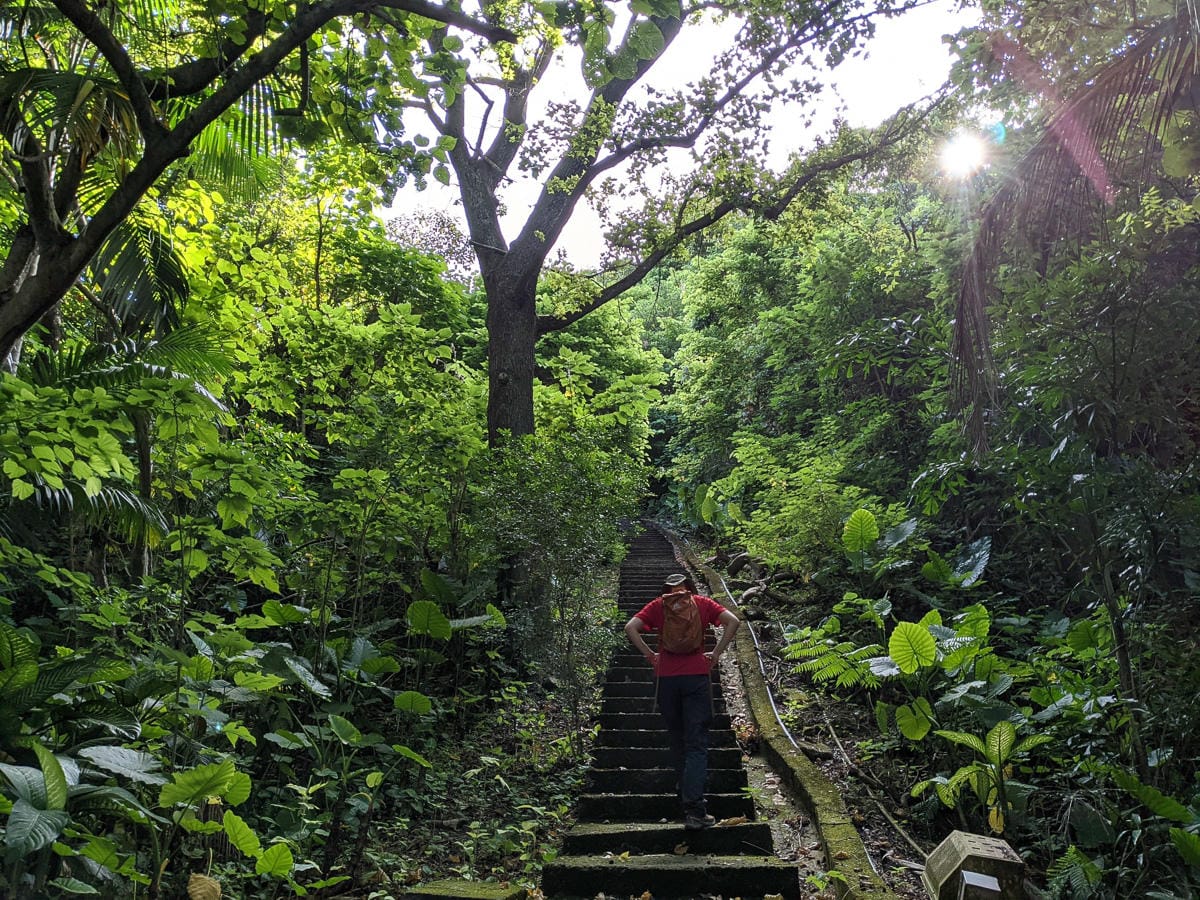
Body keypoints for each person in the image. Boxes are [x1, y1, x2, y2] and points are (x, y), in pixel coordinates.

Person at [624, 572, 740, 830]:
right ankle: (696, 810)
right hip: (697, 676)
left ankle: (685, 798)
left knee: (677, 739)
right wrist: (717, 653)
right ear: (689, 588)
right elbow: (733, 622)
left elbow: (630, 628)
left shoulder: (658, 606)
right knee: (696, 743)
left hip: (667, 679)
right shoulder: (702, 602)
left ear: (666, 590)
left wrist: (651, 656)